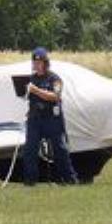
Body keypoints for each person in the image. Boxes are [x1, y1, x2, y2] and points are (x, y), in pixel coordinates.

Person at [23, 47, 78, 186]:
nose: (36, 64)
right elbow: (29, 97)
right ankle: (30, 180)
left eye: (39, 62)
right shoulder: (31, 79)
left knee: (60, 149)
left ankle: (69, 178)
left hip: (52, 119)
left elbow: (55, 96)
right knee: (30, 149)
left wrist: (35, 90)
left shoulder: (55, 79)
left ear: (45, 62)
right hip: (35, 119)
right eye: (34, 62)